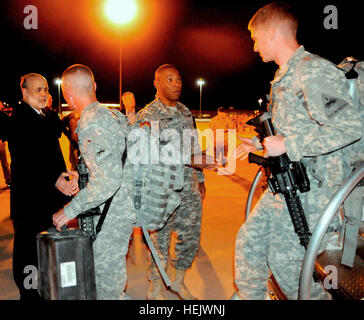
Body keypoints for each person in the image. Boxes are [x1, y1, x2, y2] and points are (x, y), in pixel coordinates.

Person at [232, 2, 362, 300]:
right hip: (284, 184)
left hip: (312, 190)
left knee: (288, 266)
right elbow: (293, 130)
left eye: (255, 38)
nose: (254, 47)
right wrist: (261, 143)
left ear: (273, 32)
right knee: (249, 242)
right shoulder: (284, 76)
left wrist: (289, 145)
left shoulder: (312, 70)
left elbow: (351, 127)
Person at [52, 64, 135, 300]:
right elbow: (117, 161)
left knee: (107, 288)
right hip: (120, 209)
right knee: (110, 282)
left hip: (111, 217)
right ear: (94, 86)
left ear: (68, 95)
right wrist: (84, 174)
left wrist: (69, 211)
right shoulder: (111, 115)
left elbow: (108, 181)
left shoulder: (92, 123)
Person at [4, 73, 78, 300]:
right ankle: (30, 296)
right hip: (29, 203)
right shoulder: (19, 119)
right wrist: (54, 178)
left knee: (49, 251)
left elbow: (54, 152)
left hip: (50, 201)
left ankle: (48, 292)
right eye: (38, 90)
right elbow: (26, 161)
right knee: (29, 256)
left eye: (45, 89)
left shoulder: (47, 116)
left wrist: (67, 173)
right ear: (24, 93)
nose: (44, 94)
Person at [136, 64, 206, 300]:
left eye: (178, 79)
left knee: (190, 236)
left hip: (188, 186)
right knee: (159, 240)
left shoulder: (186, 112)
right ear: (157, 84)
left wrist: (201, 178)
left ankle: (178, 282)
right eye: (170, 80)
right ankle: (156, 286)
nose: (176, 84)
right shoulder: (147, 116)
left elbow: (194, 145)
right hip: (161, 189)